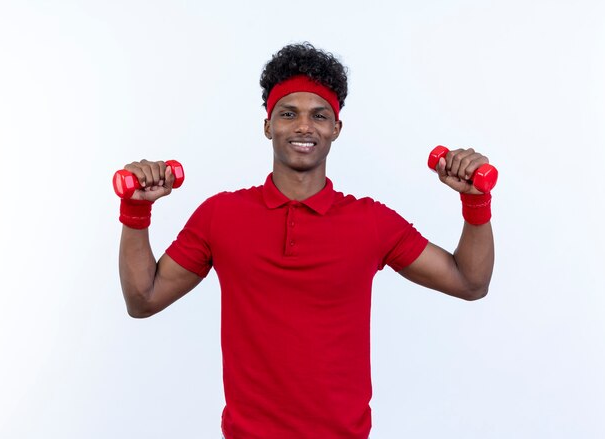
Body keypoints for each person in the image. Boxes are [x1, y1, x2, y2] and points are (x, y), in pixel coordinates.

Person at [117, 42, 494, 439]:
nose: (303, 126)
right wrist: (136, 213)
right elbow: (143, 300)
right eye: (287, 113)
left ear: (336, 128)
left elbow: (469, 282)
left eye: (318, 115)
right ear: (267, 125)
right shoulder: (221, 216)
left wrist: (475, 202)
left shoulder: (370, 222)